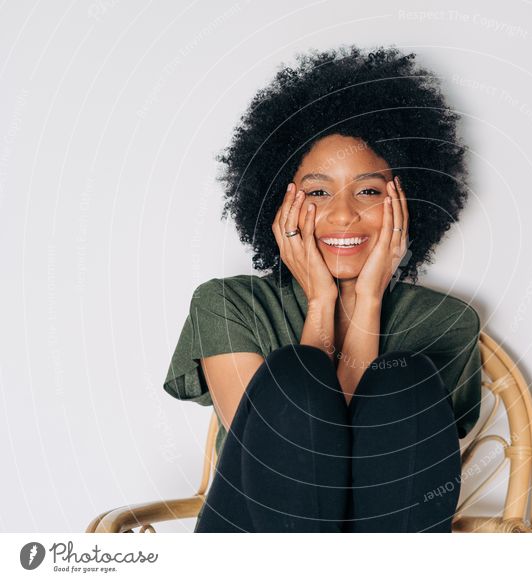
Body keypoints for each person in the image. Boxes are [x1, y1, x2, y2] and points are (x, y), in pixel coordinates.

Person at [162, 44, 482, 533]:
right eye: (317, 192)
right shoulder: (227, 304)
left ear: (407, 198)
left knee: (406, 383)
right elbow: (291, 463)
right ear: (280, 201)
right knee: (295, 374)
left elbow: (375, 480)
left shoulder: (445, 322)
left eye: (369, 191)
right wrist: (322, 302)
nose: (342, 214)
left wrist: (368, 300)